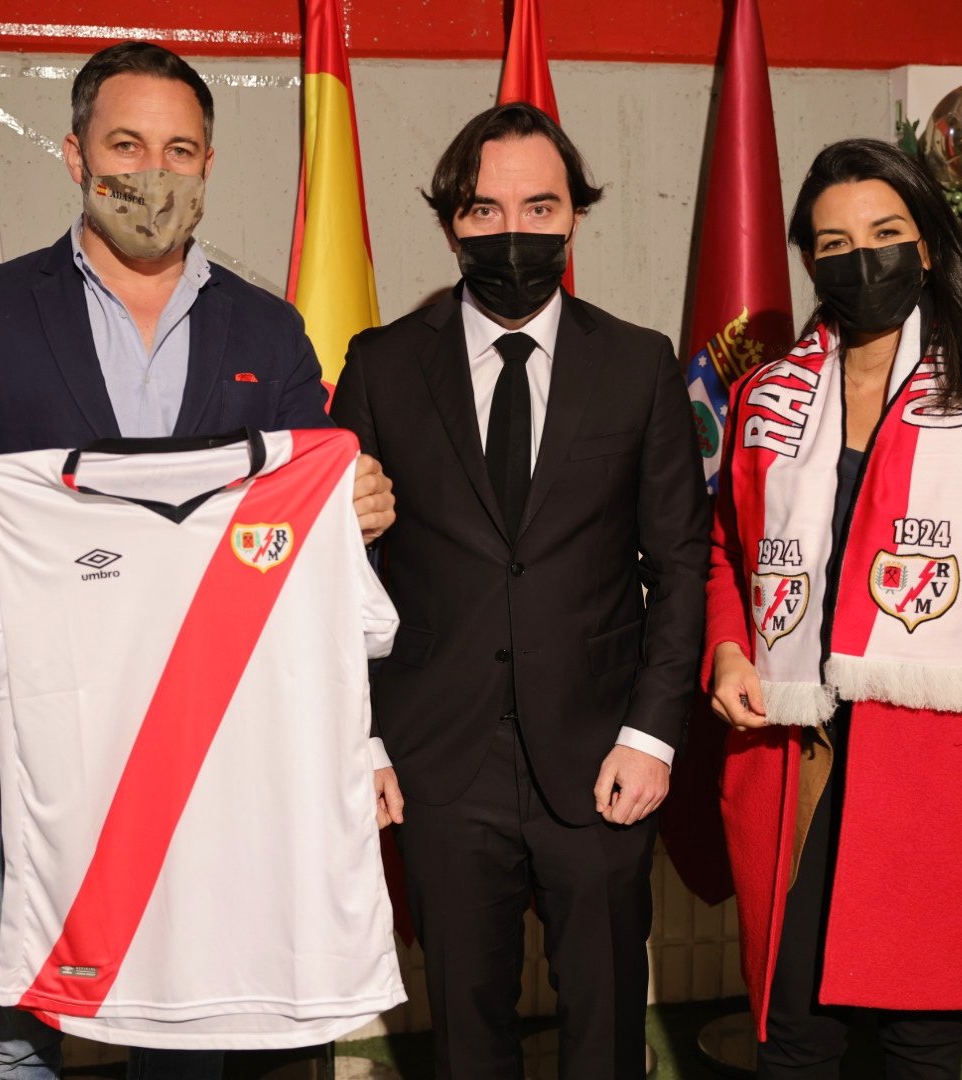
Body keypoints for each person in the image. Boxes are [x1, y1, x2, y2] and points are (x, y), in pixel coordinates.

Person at [0, 41, 394, 1080]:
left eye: (180, 150)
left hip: (215, 741)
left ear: (208, 165)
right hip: (40, 740)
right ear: (75, 155)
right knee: (15, 1029)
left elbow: (312, 484)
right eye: (126, 146)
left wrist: (357, 506)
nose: (154, 172)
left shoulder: (267, 328)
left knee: (191, 1020)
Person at [330, 103, 709, 1079]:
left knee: (605, 1030)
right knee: (465, 1036)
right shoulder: (380, 365)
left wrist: (652, 735)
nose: (514, 232)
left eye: (539, 208)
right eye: (484, 210)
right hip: (439, 759)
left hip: (602, 754)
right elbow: (337, 576)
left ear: (574, 215)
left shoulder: (638, 364)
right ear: (450, 224)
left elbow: (680, 565)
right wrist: (362, 739)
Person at [704, 138, 962, 1079]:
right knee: (792, 1027)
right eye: (834, 243)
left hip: (934, 754)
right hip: (795, 747)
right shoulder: (764, 399)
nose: (860, 259)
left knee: (918, 1032)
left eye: (884, 234)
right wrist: (726, 649)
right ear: (808, 260)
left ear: (926, 245)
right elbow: (724, 553)